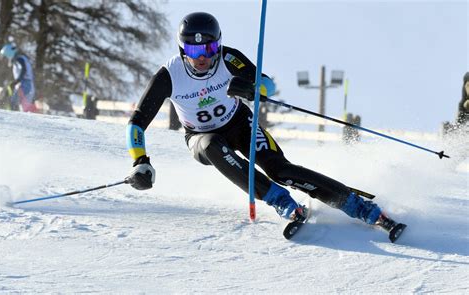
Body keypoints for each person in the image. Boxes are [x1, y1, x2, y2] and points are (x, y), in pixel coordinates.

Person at [126, 12, 404, 241]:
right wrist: (140, 161)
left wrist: (253, 87)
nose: (202, 57)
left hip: (239, 124)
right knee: (213, 146)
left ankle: (361, 208)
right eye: (194, 49)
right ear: (182, 48)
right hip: (200, 137)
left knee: (281, 169)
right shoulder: (169, 75)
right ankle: (281, 201)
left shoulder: (228, 58)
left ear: (218, 45)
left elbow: (266, 83)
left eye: (209, 48)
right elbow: (137, 122)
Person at [0, 42, 37, 112]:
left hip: (25, 84)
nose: (6, 60)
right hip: (26, 84)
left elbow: (24, 70)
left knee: (14, 103)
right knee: (21, 106)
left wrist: (17, 81)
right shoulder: (19, 59)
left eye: (6, 57)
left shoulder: (19, 59)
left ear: (9, 54)